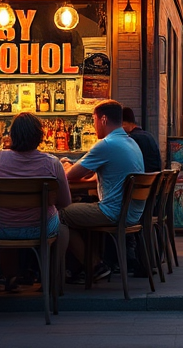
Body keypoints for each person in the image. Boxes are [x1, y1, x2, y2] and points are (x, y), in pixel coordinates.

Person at [0, 112, 72, 291]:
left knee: (3, 219)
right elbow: (65, 201)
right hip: (39, 228)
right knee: (62, 227)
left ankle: (10, 276)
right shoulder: (53, 163)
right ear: (40, 136)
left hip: (0, 228)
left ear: (12, 136)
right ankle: (50, 279)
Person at [61, 100, 144, 282]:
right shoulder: (130, 142)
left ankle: (94, 266)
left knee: (60, 216)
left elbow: (68, 176)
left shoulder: (106, 144)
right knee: (78, 209)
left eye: (94, 119)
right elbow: (100, 175)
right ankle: (82, 267)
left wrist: (64, 165)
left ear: (104, 119)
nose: (93, 125)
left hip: (114, 212)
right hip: (132, 212)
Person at [122, 107, 162, 173]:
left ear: (124, 124)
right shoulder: (149, 135)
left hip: (142, 179)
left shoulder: (132, 138)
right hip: (154, 178)